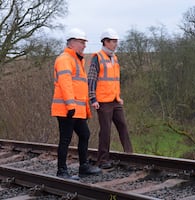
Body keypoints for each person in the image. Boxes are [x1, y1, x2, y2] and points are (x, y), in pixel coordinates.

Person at [51, 28, 101, 179]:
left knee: (85, 134)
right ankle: (62, 171)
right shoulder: (64, 59)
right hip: (67, 109)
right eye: (81, 42)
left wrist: (84, 109)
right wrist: (71, 105)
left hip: (76, 109)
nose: (84, 45)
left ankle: (83, 167)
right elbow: (65, 84)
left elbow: (79, 86)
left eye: (84, 42)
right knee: (65, 139)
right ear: (72, 43)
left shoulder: (77, 60)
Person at [88, 28, 133, 169]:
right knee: (106, 130)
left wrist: (118, 97)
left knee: (123, 126)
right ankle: (102, 160)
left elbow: (115, 80)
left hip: (115, 100)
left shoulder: (115, 58)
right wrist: (93, 99)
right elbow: (91, 79)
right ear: (105, 42)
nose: (116, 44)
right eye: (113, 41)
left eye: (116, 41)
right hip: (103, 101)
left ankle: (130, 155)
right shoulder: (97, 57)